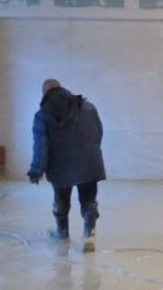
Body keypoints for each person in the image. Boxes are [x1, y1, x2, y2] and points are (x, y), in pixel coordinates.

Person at [28, 79, 106, 252]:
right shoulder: (88, 107)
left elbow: (41, 145)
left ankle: (62, 233)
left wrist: (36, 169)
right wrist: (91, 153)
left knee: (61, 202)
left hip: (60, 166)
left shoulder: (42, 114)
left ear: (44, 94)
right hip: (89, 163)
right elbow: (98, 132)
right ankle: (89, 234)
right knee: (89, 201)